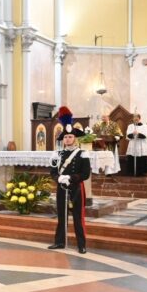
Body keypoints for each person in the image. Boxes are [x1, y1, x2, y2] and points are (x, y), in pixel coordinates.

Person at [48, 107, 91, 254]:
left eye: (70, 137)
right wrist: (58, 177)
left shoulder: (82, 154)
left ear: (75, 138)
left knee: (78, 218)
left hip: (77, 189)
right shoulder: (57, 154)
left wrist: (71, 178)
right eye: (65, 137)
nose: (68, 139)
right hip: (61, 188)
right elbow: (52, 171)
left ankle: (81, 245)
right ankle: (59, 242)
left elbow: (86, 174)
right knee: (62, 216)